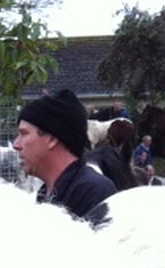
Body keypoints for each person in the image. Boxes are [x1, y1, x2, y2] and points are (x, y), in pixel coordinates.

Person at [14, 88, 116, 223]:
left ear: (52, 139)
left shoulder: (94, 193)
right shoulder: (45, 194)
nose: (16, 144)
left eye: (24, 133)